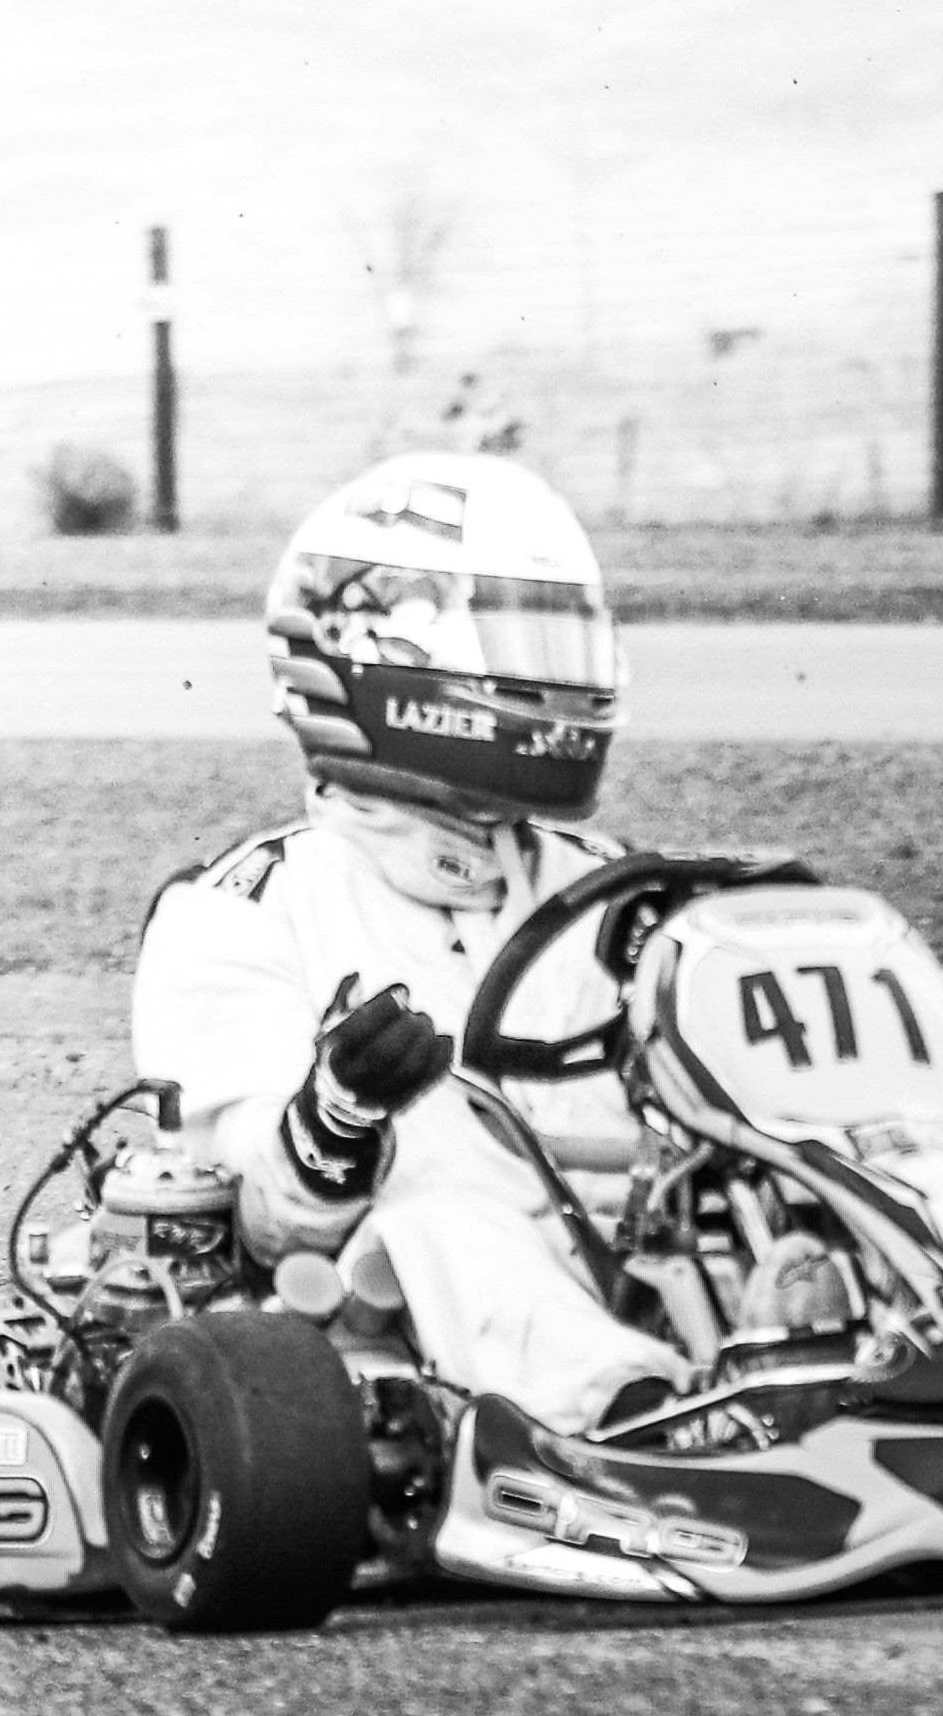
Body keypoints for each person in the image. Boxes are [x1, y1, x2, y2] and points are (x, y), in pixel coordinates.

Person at [127, 448, 699, 1435]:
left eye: (562, 645)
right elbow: (265, 1221)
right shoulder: (245, 908)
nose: (555, 686)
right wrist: (338, 1113)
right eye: (518, 645)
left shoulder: (607, 880)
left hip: (641, 1263)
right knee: (440, 1208)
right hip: (393, 1324)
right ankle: (647, 1422)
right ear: (389, 662)